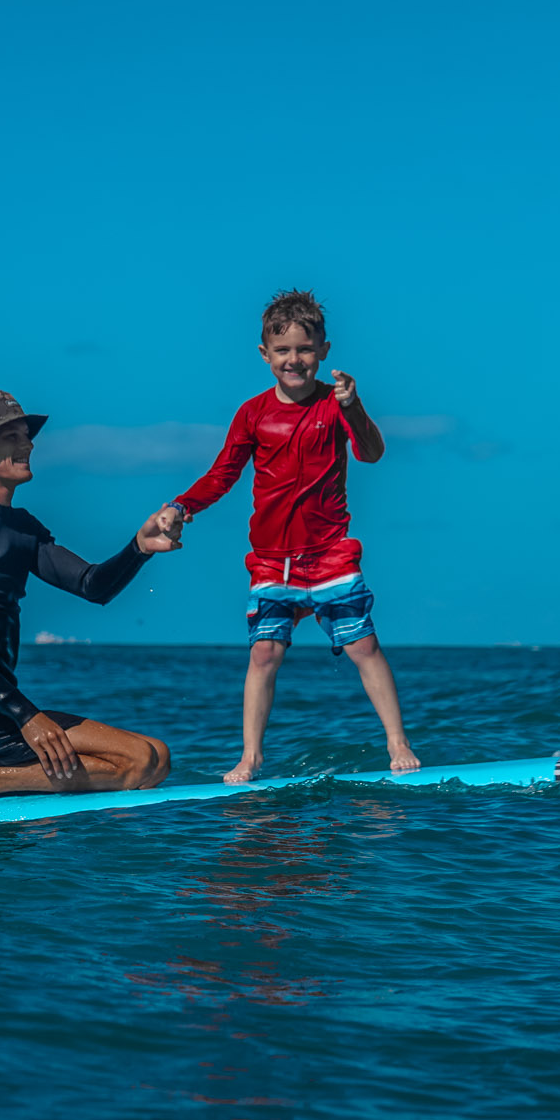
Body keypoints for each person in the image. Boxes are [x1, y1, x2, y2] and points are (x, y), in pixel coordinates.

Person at [162, 289, 420, 783]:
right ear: (265, 354)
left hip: (329, 554)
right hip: (271, 559)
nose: (294, 359)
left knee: (364, 647)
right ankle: (250, 757)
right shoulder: (253, 413)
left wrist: (354, 406)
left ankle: (398, 742)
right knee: (264, 653)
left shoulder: (335, 405)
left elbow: (371, 453)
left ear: (323, 350)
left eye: (304, 349)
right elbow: (222, 474)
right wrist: (181, 506)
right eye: (282, 350)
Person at [0, 390, 182, 804]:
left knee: (157, 756)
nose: (27, 445)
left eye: (26, 436)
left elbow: (92, 585)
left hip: (3, 708)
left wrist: (139, 547)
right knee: (138, 763)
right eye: (11, 437)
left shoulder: (21, 526)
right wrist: (27, 716)